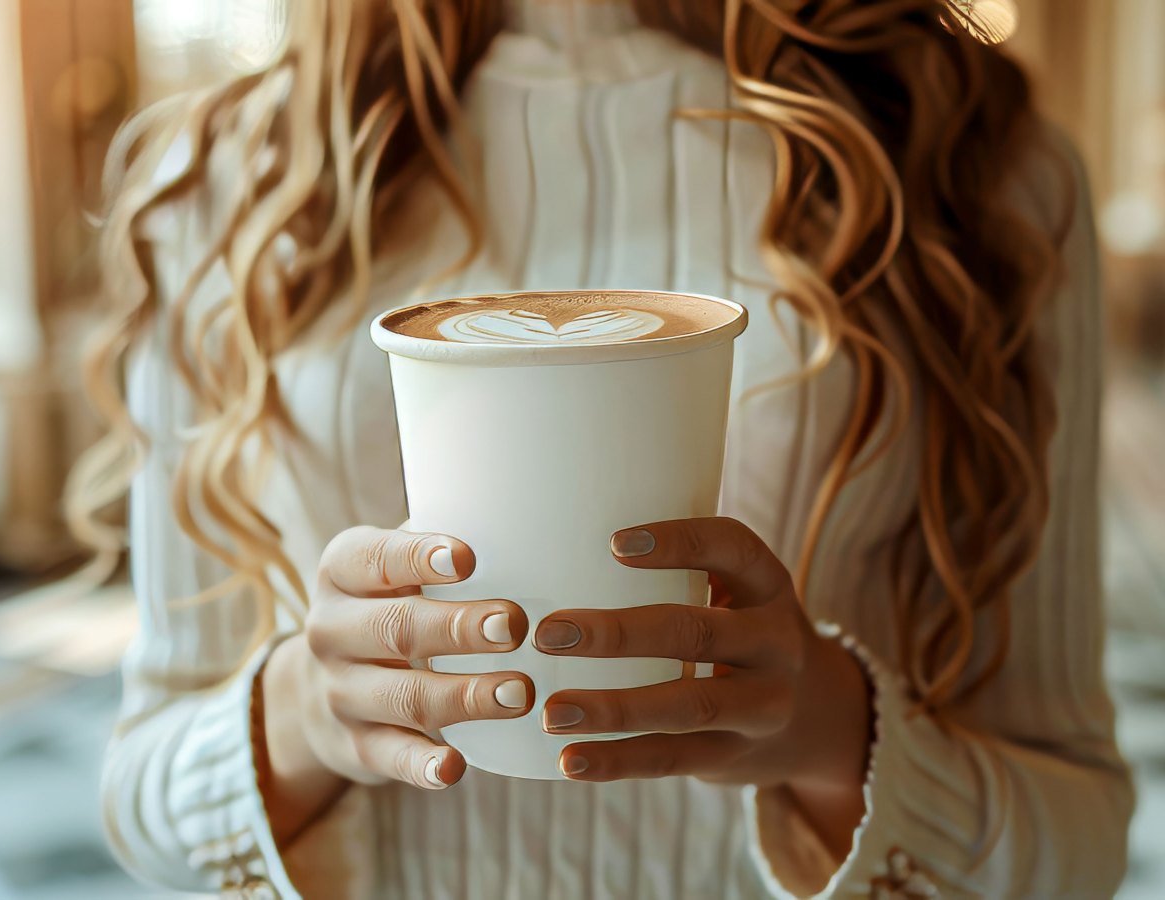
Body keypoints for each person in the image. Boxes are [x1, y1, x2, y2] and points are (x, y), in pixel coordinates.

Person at [70, 1, 1134, 897]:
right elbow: (136, 793)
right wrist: (309, 713)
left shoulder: (980, 171)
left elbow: (1080, 836)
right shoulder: (225, 181)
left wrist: (824, 729)